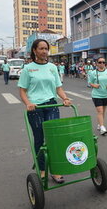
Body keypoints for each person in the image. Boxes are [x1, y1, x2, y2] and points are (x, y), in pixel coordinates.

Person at [18, 39, 71, 183]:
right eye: (41, 48)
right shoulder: (28, 69)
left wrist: (65, 99)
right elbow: (22, 91)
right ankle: (42, 169)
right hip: (35, 108)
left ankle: (55, 169)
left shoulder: (52, 67)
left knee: (53, 138)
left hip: (51, 105)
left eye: (46, 48)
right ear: (34, 50)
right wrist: (28, 103)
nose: (44, 51)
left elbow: (58, 87)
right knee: (40, 139)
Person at [88, 57, 107, 136]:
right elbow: (90, 82)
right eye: (100, 62)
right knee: (100, 111)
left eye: (103, 62)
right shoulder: (93, 73)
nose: (102, 64)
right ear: (96, 63)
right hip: (96, 95)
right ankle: (102, 127)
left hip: (106, 94)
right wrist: (94, 85)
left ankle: (99, 124)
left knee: (103, 111)